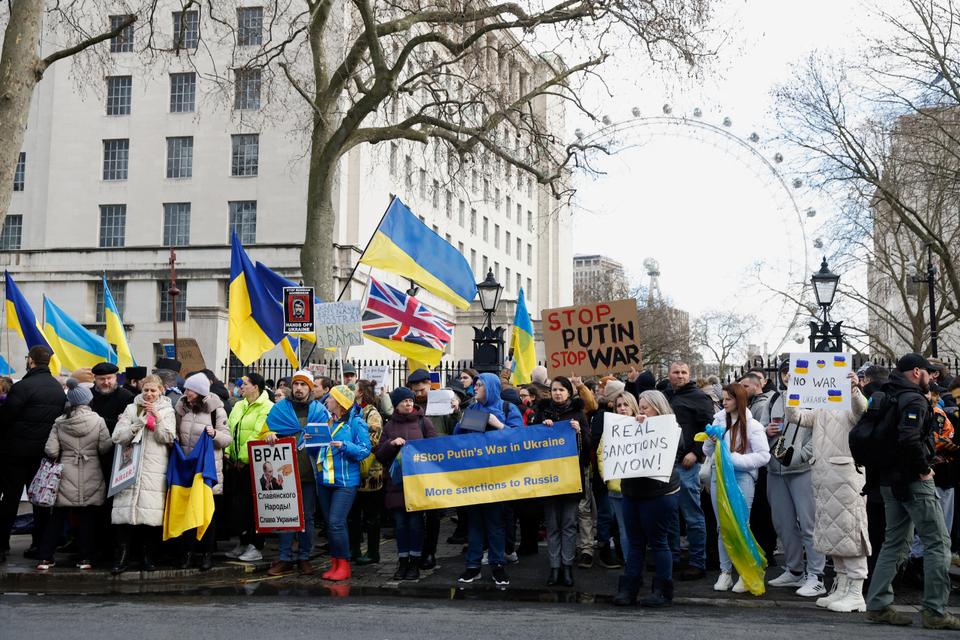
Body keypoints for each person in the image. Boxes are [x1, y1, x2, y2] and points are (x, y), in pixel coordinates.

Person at [864, 354, 960, 630]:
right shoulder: (914, 399)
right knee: (938, 543)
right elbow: (908, 438)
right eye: (929, 373)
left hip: (888, 481)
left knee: (895, 542)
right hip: (913, 481)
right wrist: (923, 468)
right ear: (917, 372)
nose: (932, 377)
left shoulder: (885, 395)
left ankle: (879, 604)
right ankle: (935, 610)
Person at [784, 370, 870, 612]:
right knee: (834, 535)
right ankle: (842, 587)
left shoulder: (850, 408)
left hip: (846, 478)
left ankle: (856, 593)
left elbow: (862, 410)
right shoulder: (821, 409)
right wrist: (793, 389)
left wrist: (854, 389)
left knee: (850, 533)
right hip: (824, 479)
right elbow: (794, 416)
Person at [760, 360, 826, 598]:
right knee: (783, 524)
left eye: (793, 373)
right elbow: (760, 429)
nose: (788, 376)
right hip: (775, 470)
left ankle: (817, 575)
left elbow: (819, 435)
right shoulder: (775, 399)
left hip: (803, 470)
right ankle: (795, 569)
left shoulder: (815, 400)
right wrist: (767, 432)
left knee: (809, 524)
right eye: (785, 373)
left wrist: (799, 457)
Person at [613, 390, 682, 607]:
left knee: (659, 542)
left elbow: (675, 450)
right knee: (635, 542)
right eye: (640, 407)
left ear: (658, 408)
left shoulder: (672, 429)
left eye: (645, 407)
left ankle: (662, 591)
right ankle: (629, 589)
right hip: (632, 492)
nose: (641, 411)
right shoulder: (627, 427)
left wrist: (649, 429)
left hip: (659, 494)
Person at [35, 378, 112, 571]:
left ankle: (45, 558)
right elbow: (105, 447)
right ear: (88, 401)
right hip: (91, 470)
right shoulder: (98, 420)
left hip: (65, 473)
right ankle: (85, 558)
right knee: (87, 517)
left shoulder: (60, 422)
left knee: (57, 516)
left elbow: (51, 450)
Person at [0, 346, 68, 563]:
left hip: (16, 453)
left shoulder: (23, 387)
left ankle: (2, 545)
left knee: (10, 500)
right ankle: (39, 544)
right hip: (43, 454)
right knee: (40, 501)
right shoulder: (57, 389)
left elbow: (6, 417)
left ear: (31, 361)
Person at [456, 373, 524, 586]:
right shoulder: (472, 410)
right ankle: (473, 566)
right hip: (475, 475)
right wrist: (458, 418)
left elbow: (520, 438)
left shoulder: (507, 409)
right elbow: (457, 440)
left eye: (479, 385)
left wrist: (498, 425)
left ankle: (497, 565)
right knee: (475, 522)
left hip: (499, 475)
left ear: (491, 388)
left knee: (495, 523)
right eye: (475, 385)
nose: (475, 388)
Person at [703, 383, 770, 593]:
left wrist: (735, 460)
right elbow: (706, 450)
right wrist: (711, 440)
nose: (724, 403)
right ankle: (725, 572)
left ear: (738, 400)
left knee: (741, 524)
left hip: (741, 477)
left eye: (728, 399)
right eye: (723, 399)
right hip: (719, 476)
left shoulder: (753, 425)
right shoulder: (718, 420)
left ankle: (745, 571)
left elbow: (763, 455)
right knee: (722, 525)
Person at [262, 370, 329, 576]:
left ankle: (304, 557)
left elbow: (327, 437)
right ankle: (285, 558)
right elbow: (264, 431)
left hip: (309, 473)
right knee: (286, 516)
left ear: (310, 388)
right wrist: (269, 434)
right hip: (286, 474)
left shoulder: (319, 410)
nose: (299, 388)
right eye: (296, 384)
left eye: (303, 385)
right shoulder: (280, 408)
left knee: (307, 517)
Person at [111, 375, 177, 574]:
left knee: (149, 516)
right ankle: (121, 558)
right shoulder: (131, 409)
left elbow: (169, 437)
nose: (149, 394)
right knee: (124, 515)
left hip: (154, 469)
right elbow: (117, 436)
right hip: (129, 467)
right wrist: (137, 423)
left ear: (161, 391)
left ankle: (147, 557)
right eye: (146, 390)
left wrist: (156, 417)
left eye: (153, 391)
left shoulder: (168, 410)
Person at [529, 376, 589, 587]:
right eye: (555, 389)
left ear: (569, 393)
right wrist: (541, 428)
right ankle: (554, 568)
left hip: (571, 478)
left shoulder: (578, 415)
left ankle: (567, 567)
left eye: (562, 390)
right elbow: (531, 444)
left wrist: (579, 432)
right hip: (549, 479)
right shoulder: (541, 413)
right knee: (553, 525)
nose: (558, 393)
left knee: (569, 525)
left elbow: (587, 451)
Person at [376, 386, 438, 581]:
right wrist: (391, 444)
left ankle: (414, 562)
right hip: (397, 484)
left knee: (416, 524)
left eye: (411, 400)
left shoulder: (423, 422)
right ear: (396, 404)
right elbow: (379, 455)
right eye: (404, 401)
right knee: (401, 525)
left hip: (418, 484)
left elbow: (436, 449)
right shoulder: (389, 426)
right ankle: (402, 561)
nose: (409, 403)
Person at [173, 372, 231, 571]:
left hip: (209, 472)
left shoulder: (217, 411)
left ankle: (207, 553)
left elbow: (227, 439)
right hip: (188, 470)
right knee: (187, 512)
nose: (186, 392)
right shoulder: (181, 408)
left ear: (198, 391)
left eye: (189, 389)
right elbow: (176, 433)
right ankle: (188, 553)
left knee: (207, 514)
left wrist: (214, 434)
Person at [663, 361, 714, 580]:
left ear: (690, 375)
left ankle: (696, 562)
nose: (681, 375)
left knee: (692, 515)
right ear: (669, 374)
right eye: (676, 372)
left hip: (687, 465)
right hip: (665, 463)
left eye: (684, 372)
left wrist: (696, 452)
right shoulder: (664, 395)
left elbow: (709, 429)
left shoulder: (699, 397)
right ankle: (672, 559)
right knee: (670, 516)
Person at [316, 384, 371, 581]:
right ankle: (335, 563)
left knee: (337, 522)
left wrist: (345, 445)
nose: (326, 400)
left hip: (345, 482)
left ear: (340, 403)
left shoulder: (356, 423)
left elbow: (365, 450)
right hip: (325, 480)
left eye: (330, 398)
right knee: (331, 524)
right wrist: (309, 441)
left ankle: (344, 564)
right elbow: (318, 450)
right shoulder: (326, 421)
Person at [408, 367, 461, 570]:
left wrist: (456, 411)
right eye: (416, 390)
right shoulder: (410, 405)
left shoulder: (442, 404)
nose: (419, 394)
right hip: (416, 464)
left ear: (430, 385)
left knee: (432, 514)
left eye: (422, 390)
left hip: (437, 464)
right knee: (415, 512)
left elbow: (455, 427)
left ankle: (429, 552)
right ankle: (416, 550)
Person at [224, 372, 274, 563]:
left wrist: (243, 458)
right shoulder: (238, 405)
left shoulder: (267, 407)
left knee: (256, 507)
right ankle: (243, 542)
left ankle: (256, 545)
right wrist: (229, 451)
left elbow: (257, 434)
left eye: (245, 384)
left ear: (256, 387)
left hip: (254, 464)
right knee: (240, 506)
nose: (241, 386)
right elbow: (230, 429)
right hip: (236, 465)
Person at [739, 371, 778, 569]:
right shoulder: (749, 403)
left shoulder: (765, 403)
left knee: (763, 509)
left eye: (746, 386)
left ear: (757, 385)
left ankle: (765, 551)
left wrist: (763, 431)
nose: (742, 390)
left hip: (763, 464)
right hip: (752, 463)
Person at [349, 380, 385, 565]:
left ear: (361, 392)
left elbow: (373, 440)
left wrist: (352, 445)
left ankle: (373, 552)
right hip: (354, 471)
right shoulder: (353, 410)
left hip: (370, 473)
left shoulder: (372, 413)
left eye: (354, 388)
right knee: (353, 514)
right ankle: (354, 549)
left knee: (371, 516)